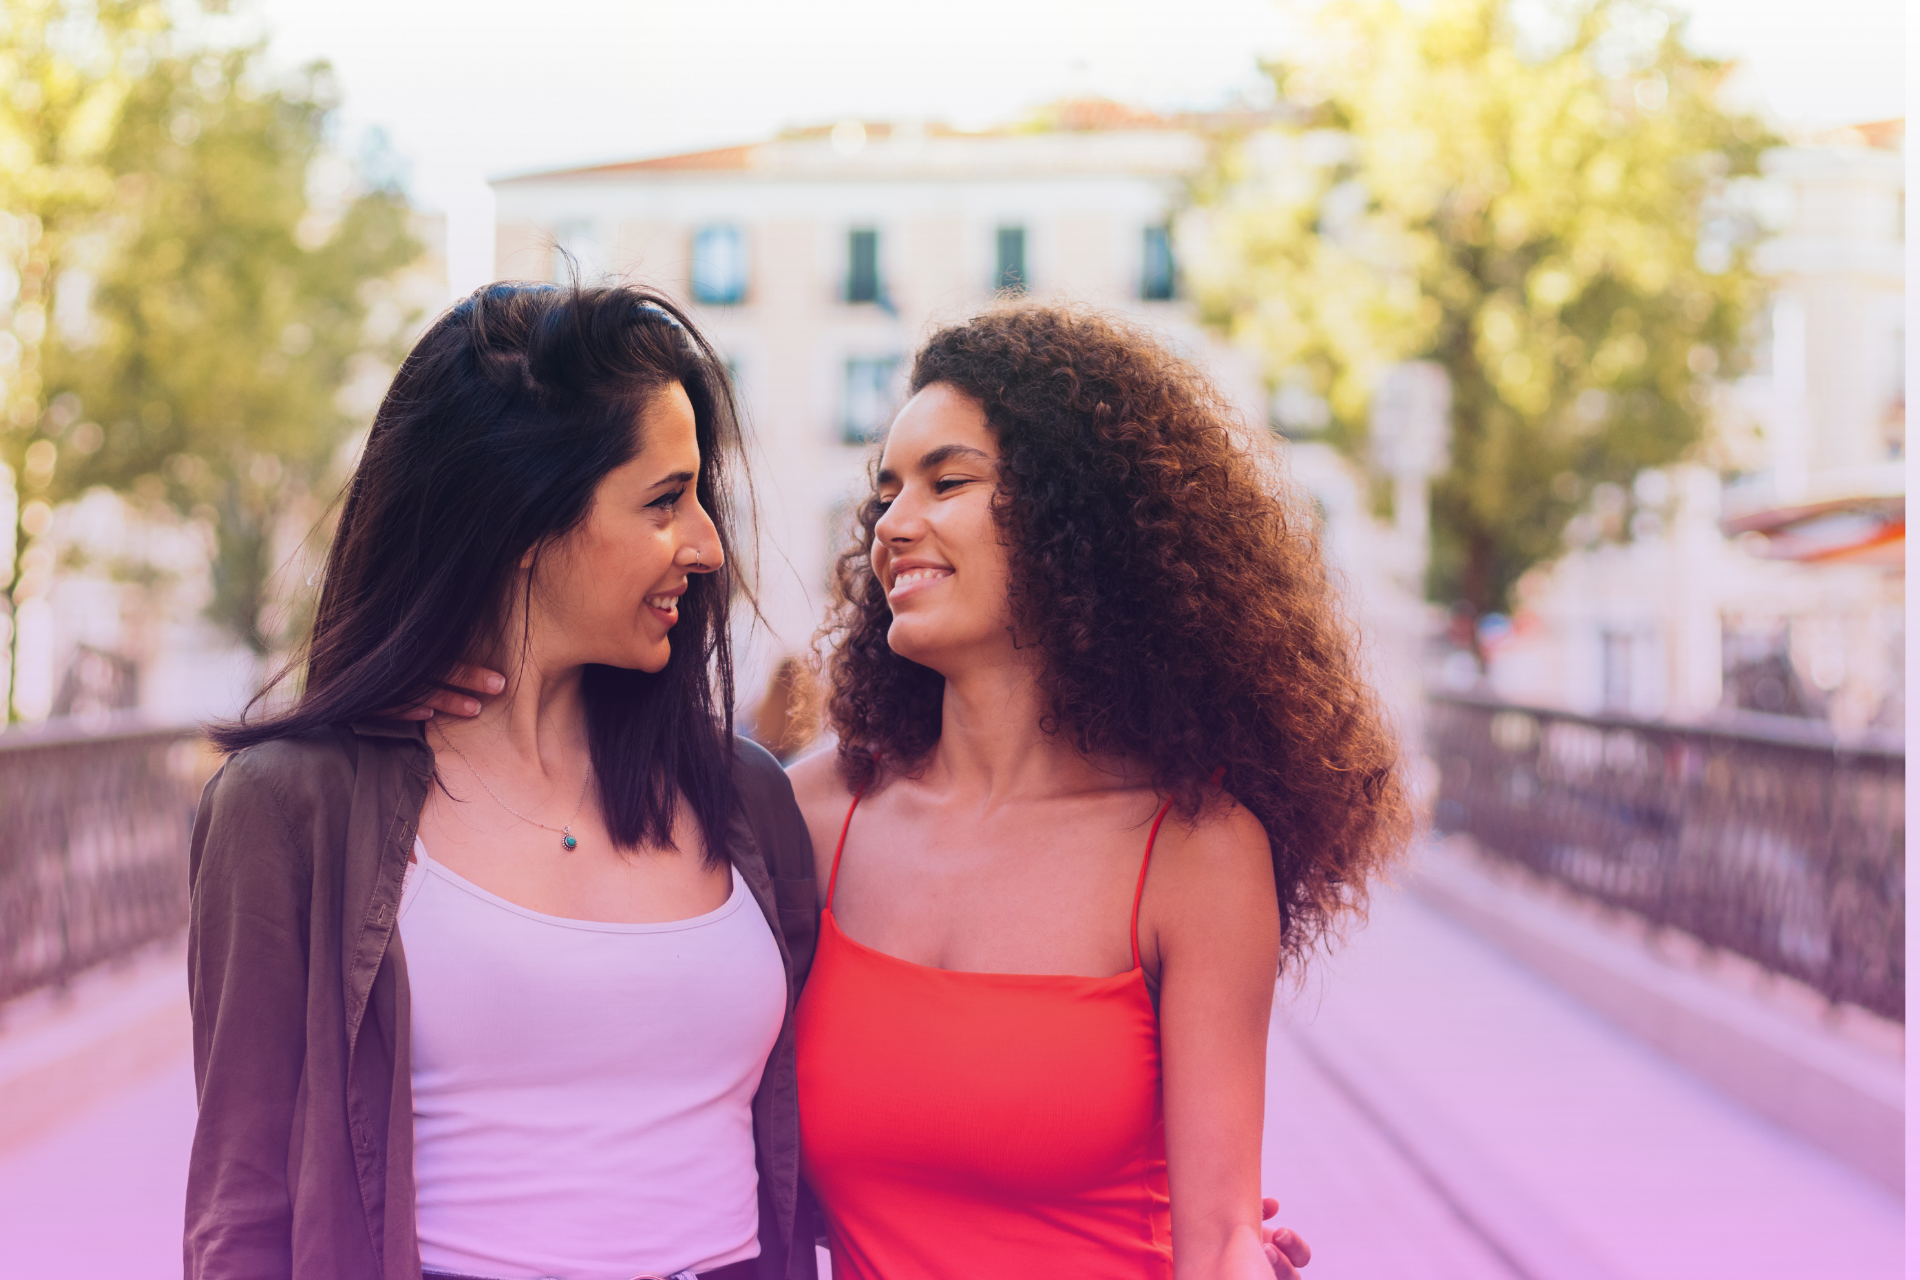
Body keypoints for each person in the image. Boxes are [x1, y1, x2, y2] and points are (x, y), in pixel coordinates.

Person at [186, 281, 821, 1280]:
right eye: (665, 500)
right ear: (523, 517)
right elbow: (243, 1208)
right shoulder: (292, 807)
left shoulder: (748, 796)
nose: (705, 546)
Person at [787, 304, 1409, 1279]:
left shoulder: (1193, 848)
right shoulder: (817, 817)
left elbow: (1219, 1242)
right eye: (887, 493)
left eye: (947, 481)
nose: (894, 525)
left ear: (1075, 516)